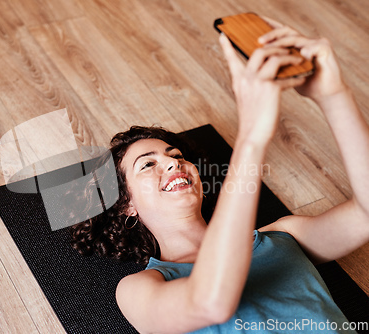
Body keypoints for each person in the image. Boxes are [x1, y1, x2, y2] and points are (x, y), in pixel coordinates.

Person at [71, 17, 369, 333]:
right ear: (125, 205)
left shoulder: (285, 235)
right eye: (147, 164)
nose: (173, 164)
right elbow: (211, 302)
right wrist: (251, 136)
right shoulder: (138, 288)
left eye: (176, 156)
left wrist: (334, 94)